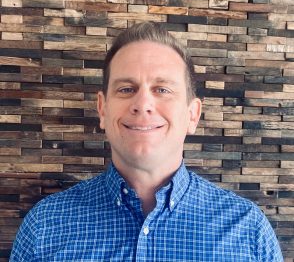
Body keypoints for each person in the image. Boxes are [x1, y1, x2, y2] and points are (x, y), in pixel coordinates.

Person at [10, 22, 283, 261]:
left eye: (162, 89)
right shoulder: (45, 225)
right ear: (103, 110)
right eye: (126, 89)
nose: (142, 104)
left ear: (192, 114)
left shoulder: (248, 230)